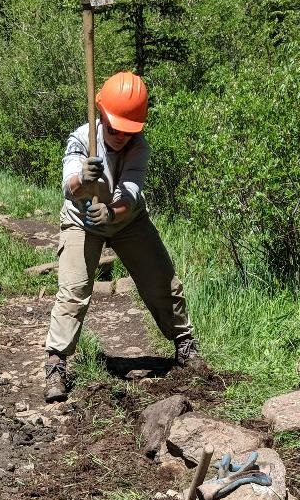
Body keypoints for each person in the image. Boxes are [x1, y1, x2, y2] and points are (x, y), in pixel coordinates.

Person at [42, 70, 200, 403]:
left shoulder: (138, 147)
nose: (119, 136)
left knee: (162, 281)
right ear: (101, 115)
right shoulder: (81, 139)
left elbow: (129, 192)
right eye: (113, 128)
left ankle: (184, 345)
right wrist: (83, 179)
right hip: (80, 221)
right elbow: (68, 187)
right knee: (72, 290)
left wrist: (111, 213)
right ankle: (56, 362)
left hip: (127, 219)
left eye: (127, 132)